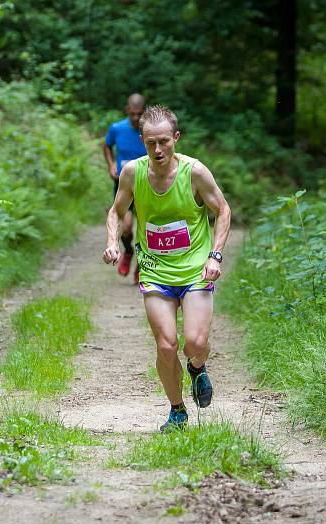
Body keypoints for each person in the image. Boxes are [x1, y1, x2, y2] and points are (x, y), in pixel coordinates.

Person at [102, 105, 232, 432]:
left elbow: (223, 210)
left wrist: (214, 256)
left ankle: (197, 368)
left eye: (164, 142)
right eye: (150, 143)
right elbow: (116, 212)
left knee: (195, 344)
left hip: (195, 271)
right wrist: (113, 242)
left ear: (176, 138)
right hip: (156, 271)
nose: (157, 150)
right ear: (142, 141)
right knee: (166, 345)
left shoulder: (195, 172)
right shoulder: (133, 172)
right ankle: (177, 411)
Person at [103, 94, 147, 283]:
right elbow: (106, 145)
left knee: (147, 230)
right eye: (133, 113)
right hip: (123, 183)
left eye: (140, 114)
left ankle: (142, 264)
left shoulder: (149, 130)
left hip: (148, 184)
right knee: (127, 227)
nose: (136, 118)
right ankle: (128, 251)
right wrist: (111, 165)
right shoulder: (117, 128)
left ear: (144, 112)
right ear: (127, 110)